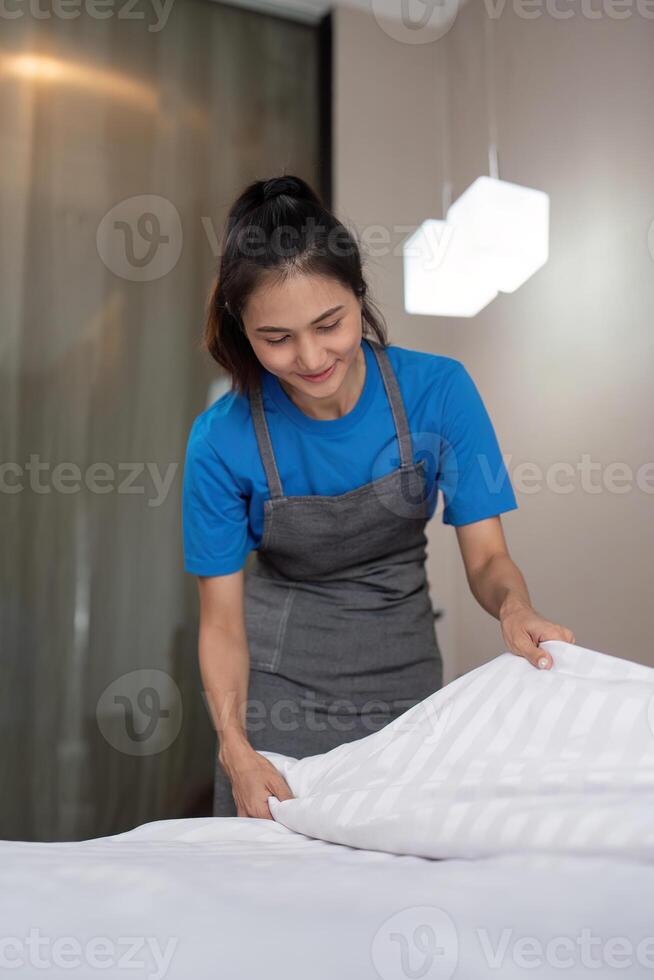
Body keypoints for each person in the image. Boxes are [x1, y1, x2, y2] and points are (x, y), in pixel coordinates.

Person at [182, 174, 576, 819]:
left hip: (406, 681)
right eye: (276, 338)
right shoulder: (220, 440)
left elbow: (486, 561)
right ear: (242, 327)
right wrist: (235, 745)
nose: (309, 357)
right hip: (276, 695)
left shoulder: (438, 392)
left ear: (359, 296)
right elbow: (221, 622)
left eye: (328, 324)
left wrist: (513, 608)